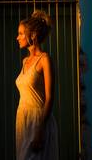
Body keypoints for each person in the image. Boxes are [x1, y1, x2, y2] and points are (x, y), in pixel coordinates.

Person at [15, 10, 58, 160]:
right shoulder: (24, 61)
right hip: (23, 120)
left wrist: (40, 129)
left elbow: (50, 98)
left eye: (21, 33)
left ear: (32, 35)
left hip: (38, 121)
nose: (17, 37)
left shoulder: (44, 60)